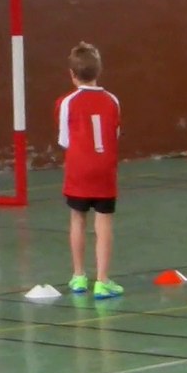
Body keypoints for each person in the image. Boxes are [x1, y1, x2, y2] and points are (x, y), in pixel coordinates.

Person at [56, 43, 123, 298]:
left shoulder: (67, 102)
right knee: (104, 223)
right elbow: (114, 135)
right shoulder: (112, 100)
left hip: (79, 171)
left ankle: (79, 276)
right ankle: (103, 280)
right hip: (105, 170)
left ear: (72, 74)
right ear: (99, 71)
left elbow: (64, 140)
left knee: (77, 219)